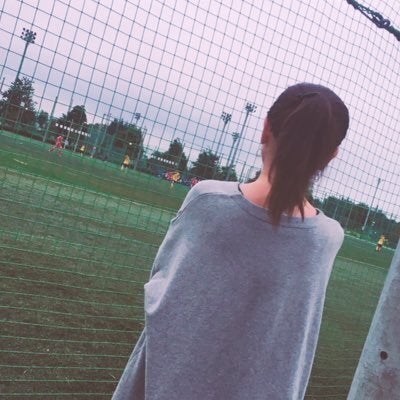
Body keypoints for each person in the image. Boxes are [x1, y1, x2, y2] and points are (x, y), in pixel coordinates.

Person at [112, 83, 350, 400]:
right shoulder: (329, 237)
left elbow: (163, 285)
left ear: (265, 129)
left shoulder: (207, 199)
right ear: (331, 156)